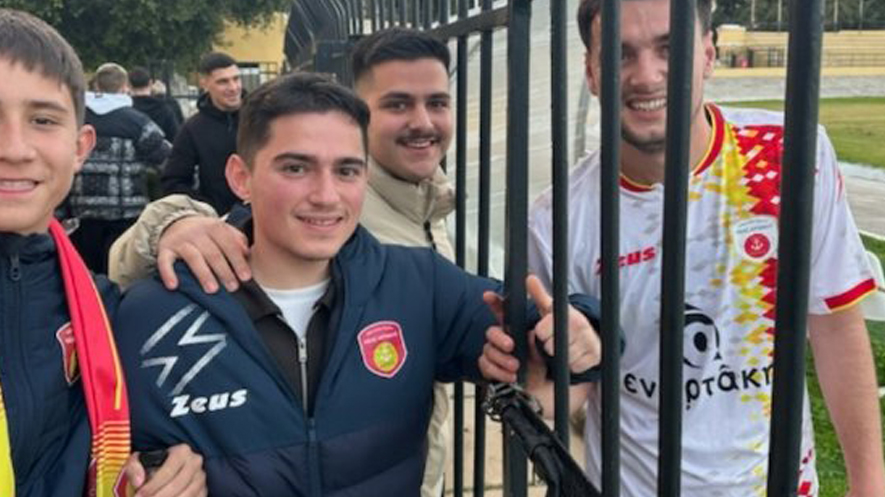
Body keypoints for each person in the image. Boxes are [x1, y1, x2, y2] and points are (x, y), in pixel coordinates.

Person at [112, 72, 603, 495]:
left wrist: (577, 331)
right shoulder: (149, 315)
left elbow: (539, 323)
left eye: (346, 170)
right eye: (296, 168)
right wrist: (131, 480)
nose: (326, 195)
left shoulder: (417, 284)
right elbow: (95, 456)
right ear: (241, 177)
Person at [502, 0, 885, 496]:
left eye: (669, 48)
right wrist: (544, 374)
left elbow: (836, 324)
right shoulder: (556, 218)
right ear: (590, 71)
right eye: (620, 54)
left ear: (708, 53)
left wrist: (869, 483)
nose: (645, 75)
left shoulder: (789, 154)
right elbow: (565, 393)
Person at [0, 9, 204, 496]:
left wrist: (166, 469)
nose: (15, 148)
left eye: (43, 120)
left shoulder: (96, 303)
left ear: (80, 148)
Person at [109, 27, 460, 496]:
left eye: (437, 102)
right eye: (397, 104)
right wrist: (175, 221)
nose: (422, 122)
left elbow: (511, 323)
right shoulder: (178, 296)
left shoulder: (430, 211)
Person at [66, 62, 171, 274]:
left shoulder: (75, 120)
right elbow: (167, 160)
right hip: (126, 217)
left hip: (82, 216)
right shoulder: (137, 122)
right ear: (125, 87)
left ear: (96, 85)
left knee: (87, 276)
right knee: (122, 276)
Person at [160, 52, 244, 215]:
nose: (233, 88)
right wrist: (207, 209)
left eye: (236, 79)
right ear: (204, 83)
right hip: (219, 220)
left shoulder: (261, 119)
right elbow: (173, 182)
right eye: (223, 82)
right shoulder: (192, 129)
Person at [128, 66, 183, 141]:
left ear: (129, 85)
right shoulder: (165, 108)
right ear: (150, 83)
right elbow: (176, 136)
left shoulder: (127, 109)